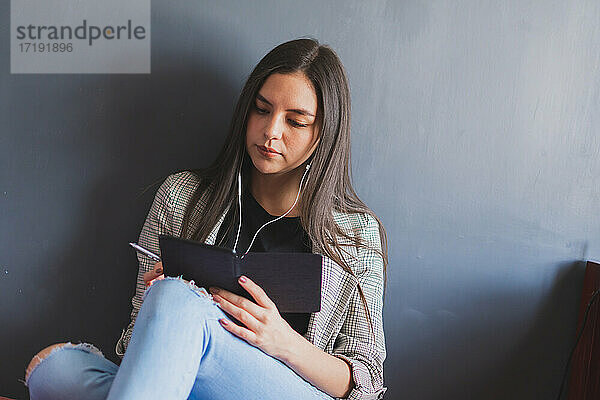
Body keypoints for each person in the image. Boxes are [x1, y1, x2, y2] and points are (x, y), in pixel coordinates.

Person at [23, 38, 388, 400]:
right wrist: (158, 309)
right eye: (262, 110)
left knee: (175, 301)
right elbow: (139, 349)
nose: (271, 131)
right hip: (186, 384)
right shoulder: (181, 197)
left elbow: (366, 381)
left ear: (325, 133)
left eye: (295, 121)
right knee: (54, 370)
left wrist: (283, 342)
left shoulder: (354, 234)